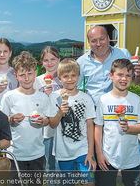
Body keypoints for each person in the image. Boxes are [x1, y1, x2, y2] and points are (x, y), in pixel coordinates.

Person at [76, 25, 140, 186]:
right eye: (93, 41)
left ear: (109, 38)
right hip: (95, 113)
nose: (99, 43)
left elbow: (136, 80)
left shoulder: (123, 53)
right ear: (89, 43)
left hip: (121, 110)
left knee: (139, 156)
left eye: (102, 39)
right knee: (97, 155)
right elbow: (73, 86)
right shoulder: (81, 62)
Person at [94, 59, 140, 186]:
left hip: (131, 157)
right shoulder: (103, 100)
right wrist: (99, 153)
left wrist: (129, 129)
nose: (124, 79)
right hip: (107, 157)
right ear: (111, 76)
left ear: (132, 77)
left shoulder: (136, 100)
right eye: (120, 74)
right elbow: (98, 127)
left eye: (128, 75)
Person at [0, 51, 50, 186]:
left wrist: (42, 122)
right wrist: (11, 120)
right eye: (22, 75)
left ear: (36, 73)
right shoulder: (9, 97)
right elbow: (1, 123)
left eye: (30, 73)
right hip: (14, 155)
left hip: (37, 154)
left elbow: (48, 120)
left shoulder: (43, 97)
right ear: (16, 76)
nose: (27, 78)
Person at [48, 58, 96, 186]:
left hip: (83, 149)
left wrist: (91, 152)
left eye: (73, 75)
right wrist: (60, 113)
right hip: (64, 151)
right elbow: (52, 124)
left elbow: (90, 126)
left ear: (79, 76)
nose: (70, 79)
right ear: (59, 78)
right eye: (66, 76)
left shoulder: (86, 99)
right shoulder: (54, 97)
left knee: (89, 182)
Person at [33, 46, 63, 174]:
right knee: (50, 164)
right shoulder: (37, 81)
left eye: (53, 59)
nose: (50, 63)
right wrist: (44, 96)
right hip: (47, 130)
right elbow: (34, 105)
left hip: (62, 127)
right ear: (42, 62)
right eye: (46, 60)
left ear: (58, 60)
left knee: (62, 165)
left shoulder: (64, 79)